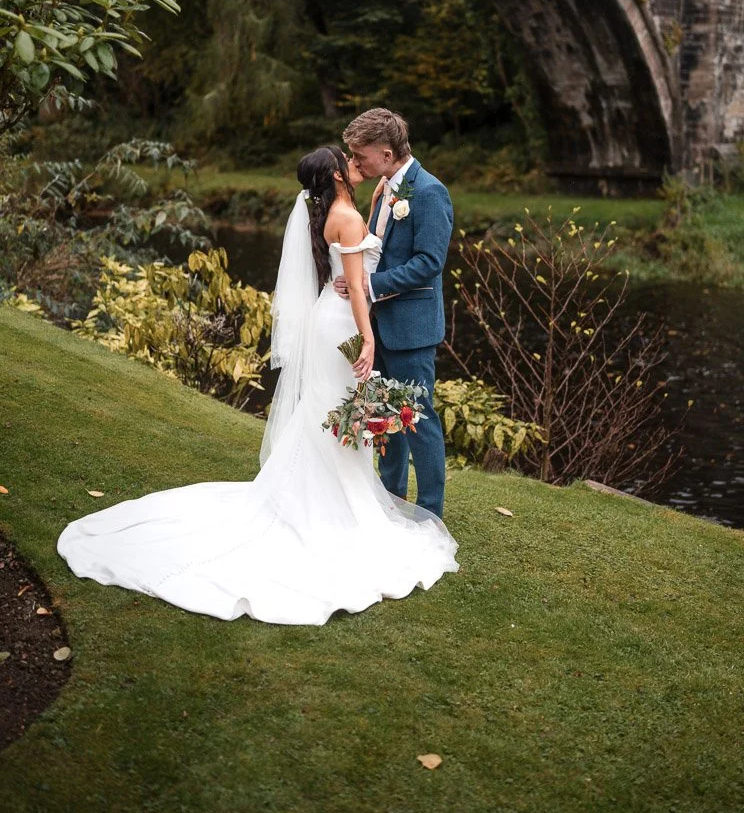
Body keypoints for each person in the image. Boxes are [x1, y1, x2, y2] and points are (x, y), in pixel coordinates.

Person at [57, 146, 458, 625]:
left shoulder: (356, 204)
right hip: (349, 326)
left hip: (337, 321)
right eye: (346, 156)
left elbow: (372, 270)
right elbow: (355, 284)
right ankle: (341, 508)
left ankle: (347, 500)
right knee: (339, 413)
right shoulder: (349, 215)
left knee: (334, 412)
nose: (354, 159)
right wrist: (368, 337)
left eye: (358, 152)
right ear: (335, 173)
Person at [339, 109, 453, 519]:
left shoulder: (428, 192)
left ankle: (430, 513)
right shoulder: (386, 187)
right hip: (379, 325)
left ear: (386, 153)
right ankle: (390, 501)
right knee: (384, 415)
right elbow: (377, 248)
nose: (356, 162)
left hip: (412, 328)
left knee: (418, 421)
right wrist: (353, 279)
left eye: (361, 155)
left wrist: (371, 286)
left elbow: (429, 261)